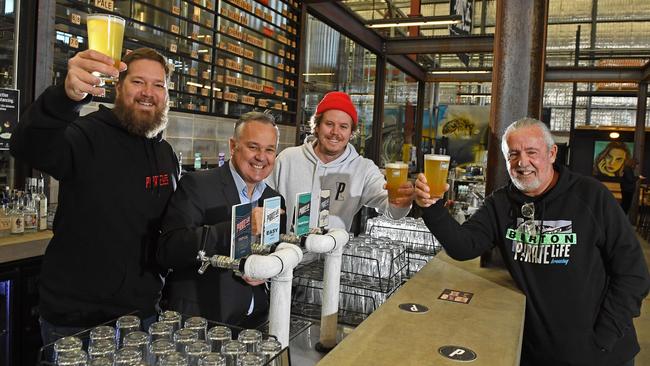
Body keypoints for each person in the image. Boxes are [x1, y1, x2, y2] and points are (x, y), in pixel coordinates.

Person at [414, 117, 649, 366]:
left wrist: (603, 338)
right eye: (513, 154)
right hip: (536, 353)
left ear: (552, 153)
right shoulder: (501, 204)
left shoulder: (591, 196)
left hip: (601, 355)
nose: (522, 162)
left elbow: (634, 274)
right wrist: (431, 207)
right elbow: (464, 247)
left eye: (531, 152)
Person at [10, 48, 178, 345]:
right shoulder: (85, 134)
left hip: (142, 316)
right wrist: (65, 96)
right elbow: (28, 145)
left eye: (158, 85)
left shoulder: (165, 154)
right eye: (138, 82)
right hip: (76, 322)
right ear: (118, 86)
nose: (148, 93)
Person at [157, 111, 286, 327]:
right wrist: (237, 229)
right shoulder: (196, 185)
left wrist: (268, 272)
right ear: (233, 145)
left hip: (257, 323)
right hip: (204, 323)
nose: (261, 157)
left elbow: (275, 252)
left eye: (269, 150)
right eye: (253, 147)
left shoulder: (273, 199)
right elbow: (169, 251)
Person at [267, 91, 414, 232]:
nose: (335, 132)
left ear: (351, 133)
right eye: (329, 124)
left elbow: (391, 211)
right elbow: (260, 200)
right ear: (317, 126)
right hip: (286, 254)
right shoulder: (287, 159)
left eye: (343, 127)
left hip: (333, 256)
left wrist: (401, 203)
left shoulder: (363, 169)